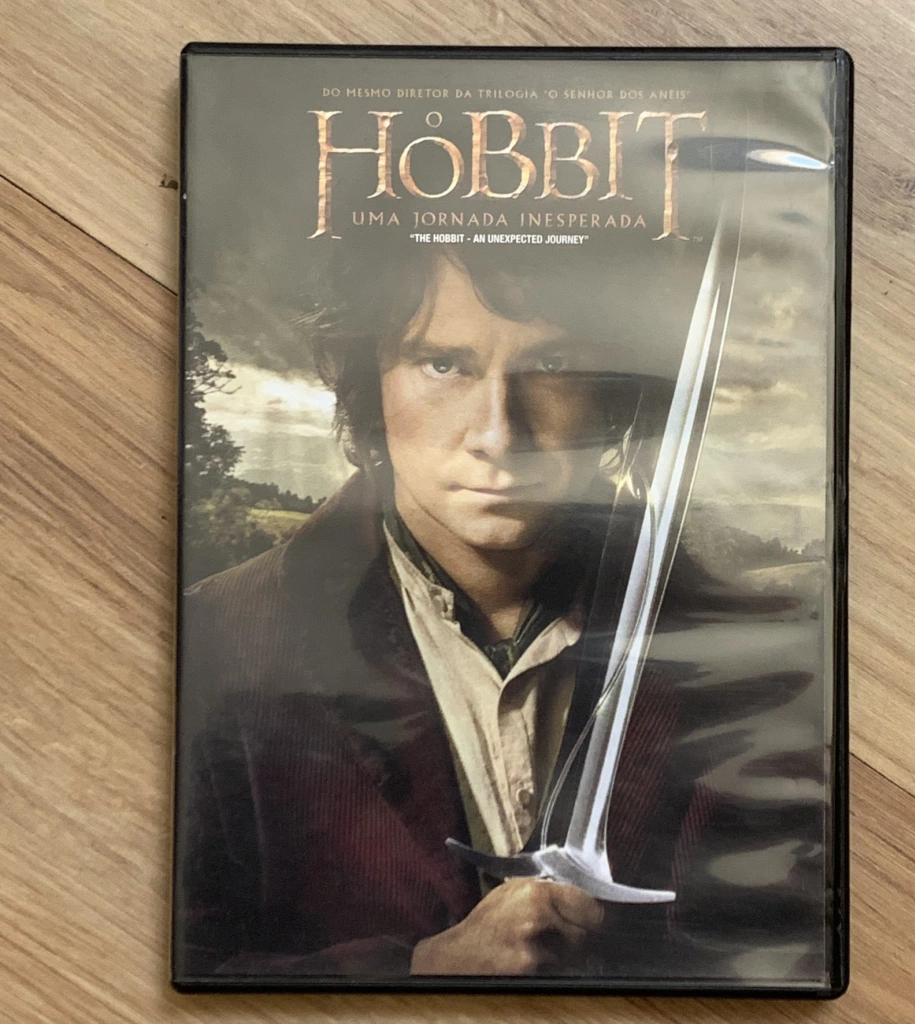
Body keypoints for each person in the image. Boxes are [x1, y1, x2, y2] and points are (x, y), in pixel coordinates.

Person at [175, 238, 824, 983]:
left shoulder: (755, 656)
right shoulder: (218, 641)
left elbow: (791, 951)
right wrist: (417, 973)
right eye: (443, 364)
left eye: (554, 364)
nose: (498, 435)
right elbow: (171, 974)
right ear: (368, 381)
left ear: (618, 394)